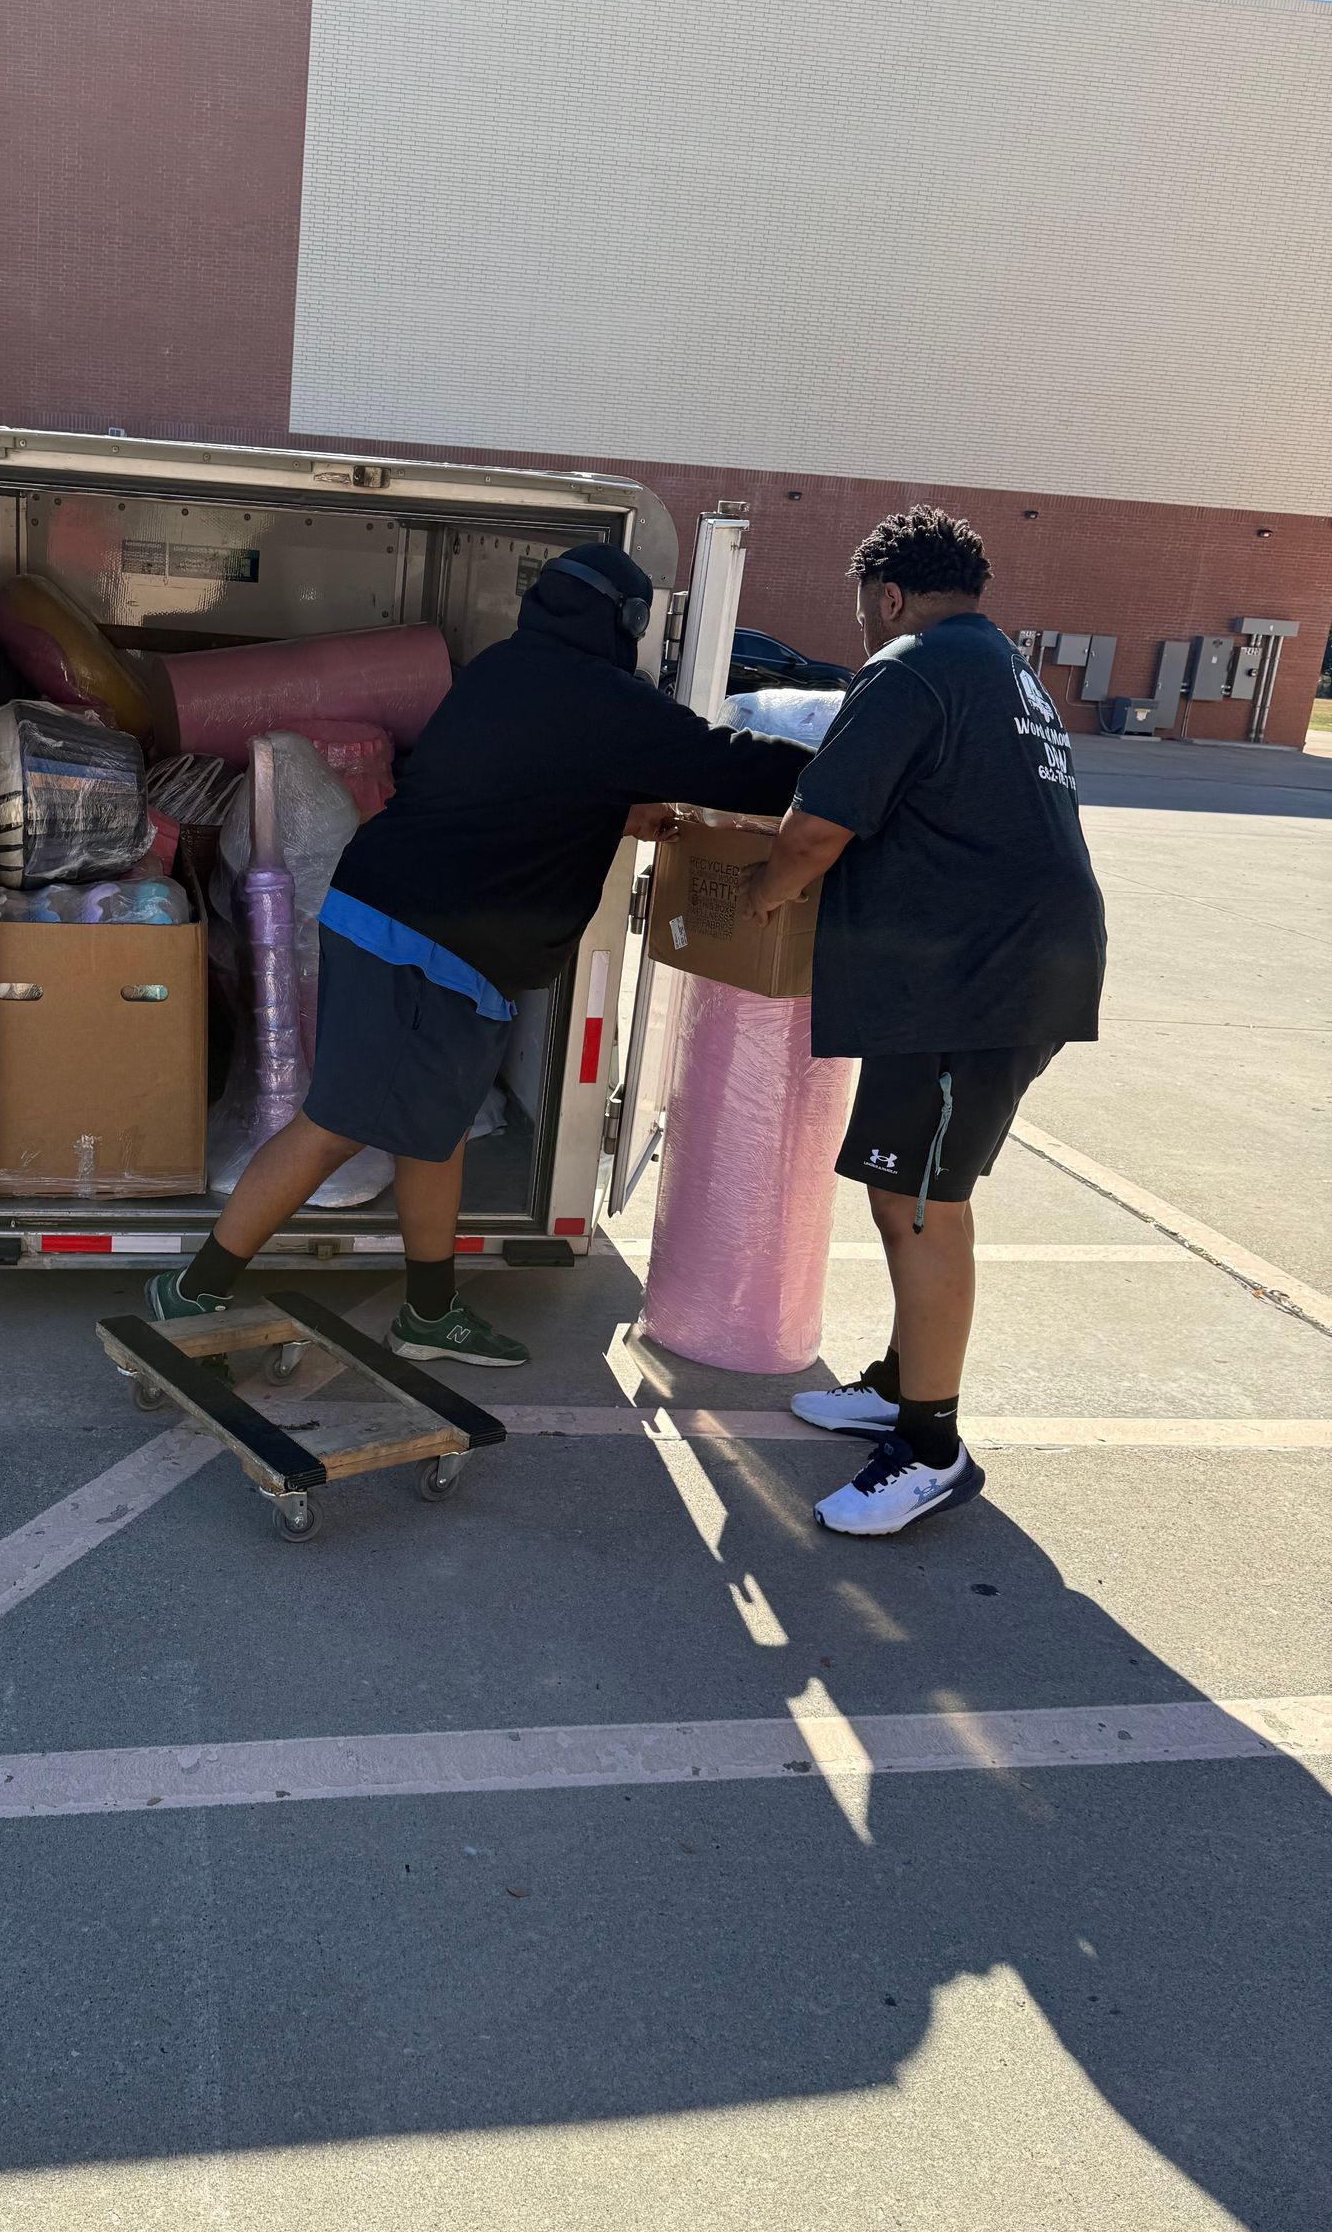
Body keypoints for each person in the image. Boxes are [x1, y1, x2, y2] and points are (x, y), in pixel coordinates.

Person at [148, 544, 812, 1363]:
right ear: (625, 625)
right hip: (425, 946)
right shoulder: (608, 701)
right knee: (336, 1127)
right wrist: (855, 777)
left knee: (435, 1133)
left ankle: (428, 1311)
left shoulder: (504, 670)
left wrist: (616, 812)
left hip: (400, 919)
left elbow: (515, 782)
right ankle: (191, 1290)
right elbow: (740, 771)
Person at [742, 504, 1106, 1535]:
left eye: (868, 610)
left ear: (888, 594)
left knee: (919, 1204)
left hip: (976, 982)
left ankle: (931, 1446)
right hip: (995, 969)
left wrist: (758, 899)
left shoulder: (908, 665)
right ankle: (902, 1382)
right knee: (904, 1187)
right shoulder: (1004, 666)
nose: (866, 628)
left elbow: (816, 828)